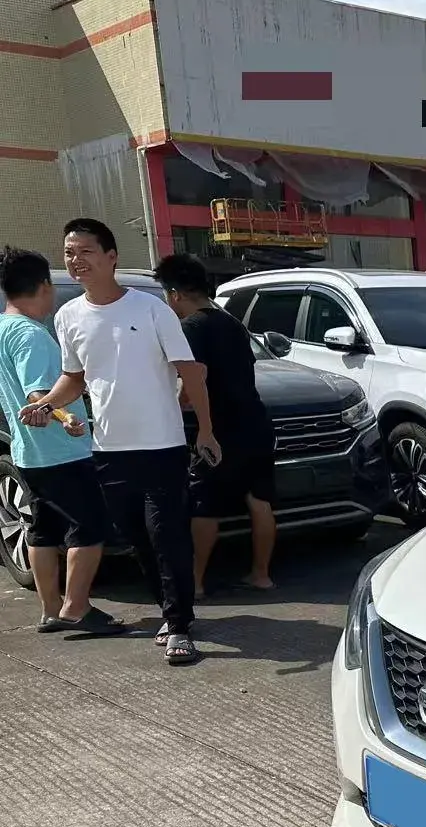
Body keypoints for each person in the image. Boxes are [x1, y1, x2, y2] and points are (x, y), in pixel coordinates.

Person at [21, 218, 220, 666]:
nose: (76, 260)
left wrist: (205, 430)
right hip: (109, 448)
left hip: (162, 445)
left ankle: (180, 624)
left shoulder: (151, 309)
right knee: (136, 538)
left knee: (166, 535)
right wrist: (47, 404)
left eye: (86, 251)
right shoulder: (69, 317)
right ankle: (169, 611)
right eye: (69, 252)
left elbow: (190, 372)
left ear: (112, 256)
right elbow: (75, 379)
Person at [0, 247, 124, 635]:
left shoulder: (2, 327)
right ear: (43, 286)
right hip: (61, 452)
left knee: (42, 529)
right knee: (88, 528)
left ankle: (51, 608)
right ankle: (77, 607)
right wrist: (68, 417)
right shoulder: (30, 336)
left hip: (27, 452)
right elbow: (38, 392)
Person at [152, 254, 276, 596]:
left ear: (175, 293)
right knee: (258, 500)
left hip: (221, 429)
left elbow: (197, 378)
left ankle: (195, 582)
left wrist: (173, 405)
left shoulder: (192, 326)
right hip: (256, 421)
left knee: (204, 502)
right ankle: (261, 574)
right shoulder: (233, 323)